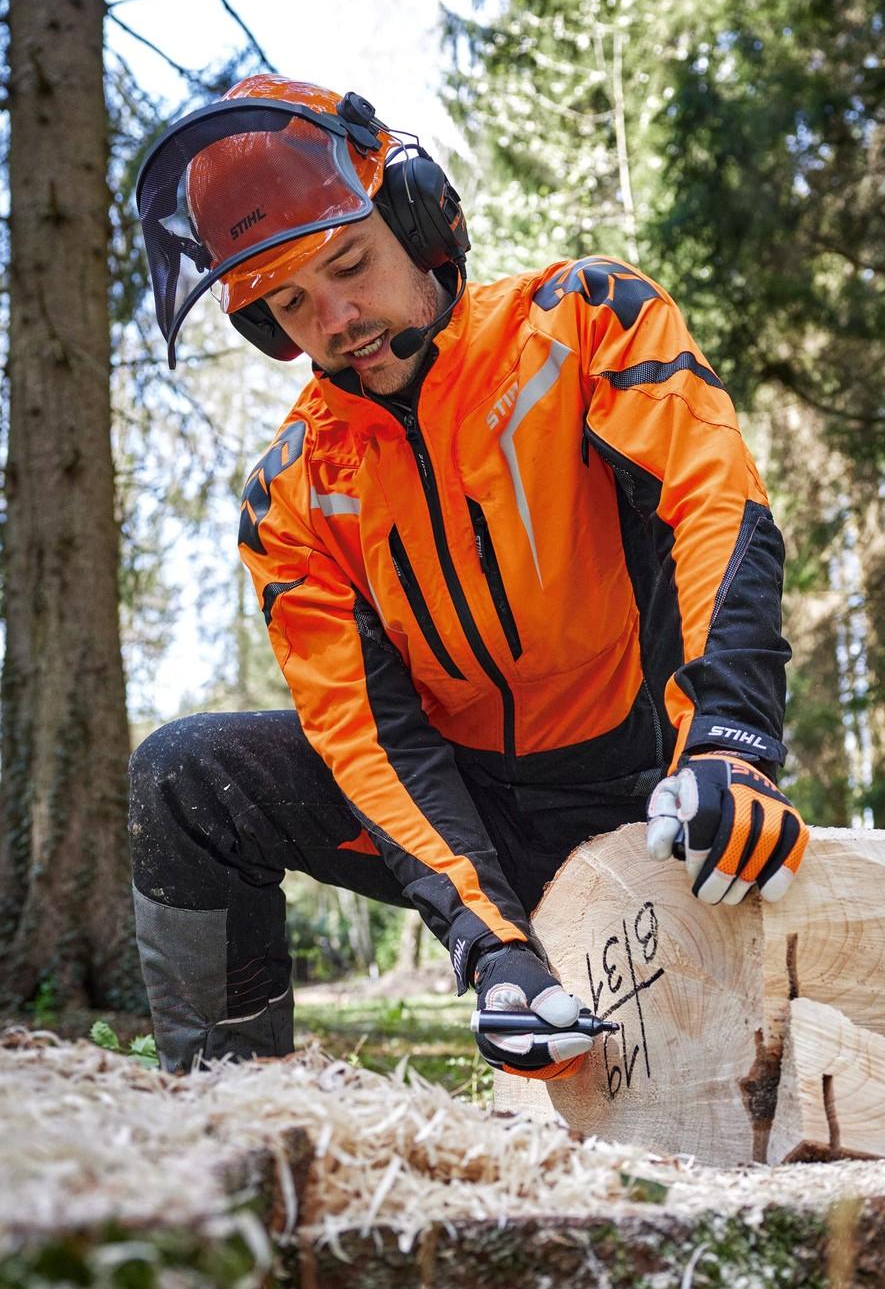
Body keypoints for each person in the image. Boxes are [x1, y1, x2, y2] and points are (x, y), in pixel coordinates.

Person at [131, 75, 809, 1078]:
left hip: (655, 785)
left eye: (349, 264)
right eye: (291, 303)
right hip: (467, 813)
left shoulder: (585, 322)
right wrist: (492, 944)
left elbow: (717, 507)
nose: (336, 317)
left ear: (416, 219)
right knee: (184, 777)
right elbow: (365, 734)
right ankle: (227, 1122)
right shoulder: (291, 490)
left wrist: (732, 745)